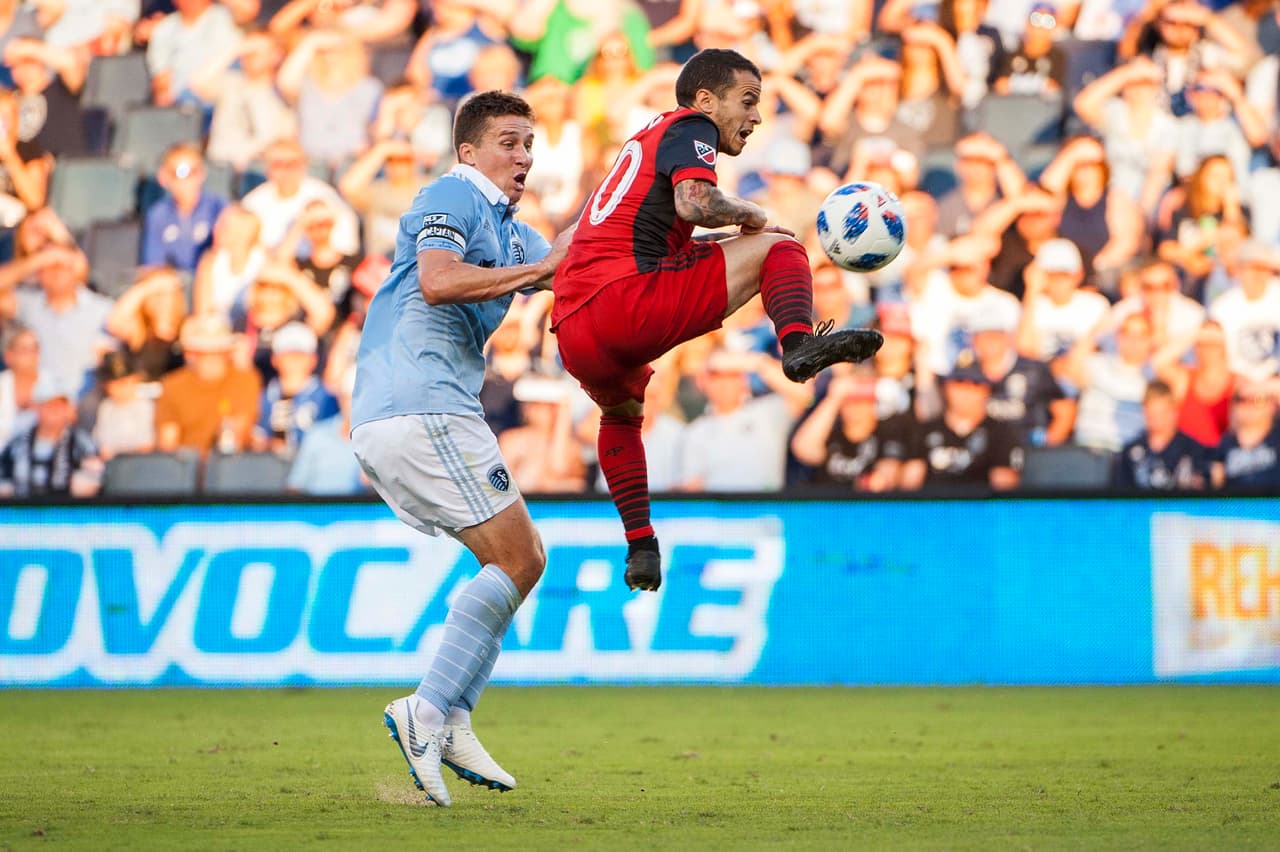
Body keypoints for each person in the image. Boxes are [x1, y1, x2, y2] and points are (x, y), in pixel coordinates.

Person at [551, 49, 883, 592]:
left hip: (574, 327)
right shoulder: (690, 126)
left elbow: (653, 227)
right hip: (627, 299)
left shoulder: (643, 142)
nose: (755, 118)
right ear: (706, 100)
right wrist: (748, 214)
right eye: (748, 102)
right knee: (780, 245)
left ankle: (640, 544)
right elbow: (695, 202)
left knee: (622, 417)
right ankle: (797, 343)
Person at [349, 91, 573, 807]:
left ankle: (449, 713)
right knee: (519, 557)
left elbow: (578, 266)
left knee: (517, 560)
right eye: (509, 142)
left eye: (530, 144)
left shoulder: (513, 232)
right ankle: (429, 708)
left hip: (414, 412)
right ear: (469, 150)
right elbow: (438, 280)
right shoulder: (451, 192)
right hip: (421, 403)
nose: (524, 157)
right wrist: (543, 274)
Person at [0, 373, 101, 498]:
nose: (54, 411)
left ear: (69, 409)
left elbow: (91, 484)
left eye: (60, 405)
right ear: (36, 407)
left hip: (68, 514)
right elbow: (4, 484)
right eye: (48, 405)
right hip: (23, 514)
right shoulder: (17, 444)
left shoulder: (82, 443)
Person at [1112, 379, 1209, 490]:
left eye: (1161, 413)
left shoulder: (1192, 450)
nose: (1155, 419)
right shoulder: (1130, 452)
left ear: (1174, 411)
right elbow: (1120, 496)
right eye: (1151, 413)